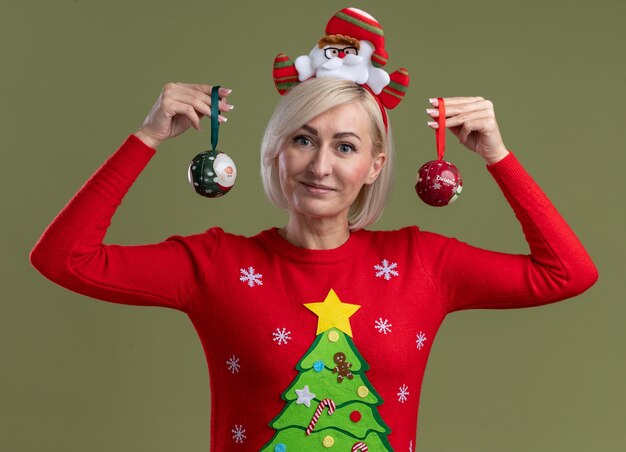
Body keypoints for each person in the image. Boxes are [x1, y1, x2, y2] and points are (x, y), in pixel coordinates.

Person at [30, 76, 598, 450]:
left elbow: (568, 273)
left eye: (346, 146)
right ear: (277, 150)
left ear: (374, 166)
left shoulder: (422, 262)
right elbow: (64, 259)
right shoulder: (216, 263)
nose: (320, 165)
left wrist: (496, 154)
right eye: (303, 139)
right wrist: (149, 135)